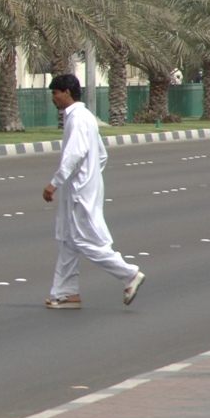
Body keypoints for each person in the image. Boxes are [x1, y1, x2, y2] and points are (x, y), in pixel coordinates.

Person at [42, 74, 145, 309]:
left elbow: (75, 153)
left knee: (83, 240)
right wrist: (90, 178)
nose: (53, 98)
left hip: (79, 191)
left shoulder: (78, 118)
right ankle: (66, 293)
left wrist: (55, 183)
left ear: (67, 92)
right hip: (82, 188)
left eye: (55, 93)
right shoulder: (84, 117)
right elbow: (101, 155)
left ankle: (128, 275)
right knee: (67, 240)